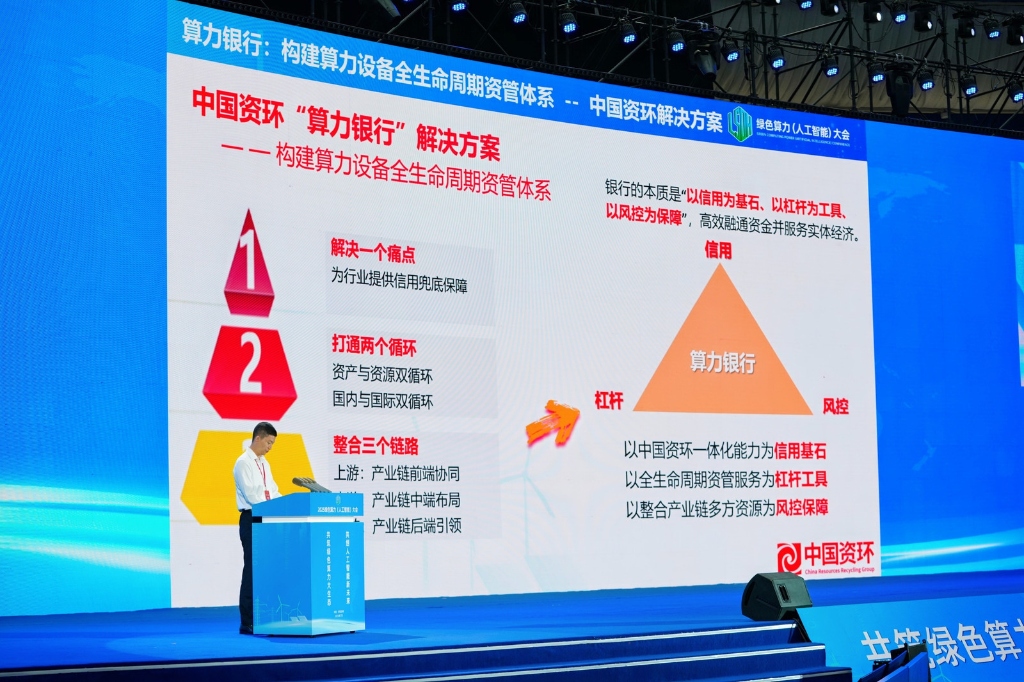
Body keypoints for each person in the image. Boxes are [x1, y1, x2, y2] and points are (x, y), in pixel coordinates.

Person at [233, 421, 280, 634]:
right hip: (252, 518)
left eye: (273, 444)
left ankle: (264, 616)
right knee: (252, 570)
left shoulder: (264, 463)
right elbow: (252, 496)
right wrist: (272, 507)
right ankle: (247, 621)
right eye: (269, 442)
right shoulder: (243, 462)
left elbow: (273, 490)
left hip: (267, 518)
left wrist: (286, 503)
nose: (270, 447)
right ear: (258, 438)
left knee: (267, 570)